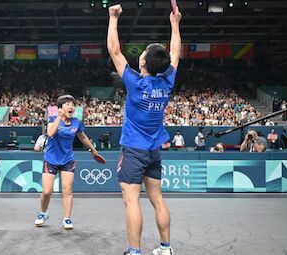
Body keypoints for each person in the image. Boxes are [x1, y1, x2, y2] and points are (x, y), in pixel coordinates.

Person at [107, 4, 181, 255]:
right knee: (157, 199)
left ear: (144, 61)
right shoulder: (166, 80)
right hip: (154, 151)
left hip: (134, 150)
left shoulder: (136, 83)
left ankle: (135, 251)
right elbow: (176, 54)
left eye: (144, 53)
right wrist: (175, 23)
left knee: (131, 200)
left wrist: (113, 18)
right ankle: (166, 248)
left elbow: (114, 50)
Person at [35, 95, 98, 230]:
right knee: (46, 191)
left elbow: (83, 137)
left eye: (72, 104)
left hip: (67, 160)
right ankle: (43, 213)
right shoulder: (52, 120)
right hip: (51, 159)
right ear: (60, 108)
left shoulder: (76, 123)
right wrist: (59, 117)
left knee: (67, 190)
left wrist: (93, 150)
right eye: (67, 104)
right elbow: (50, 133)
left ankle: (67, 218)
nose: (71, 107)